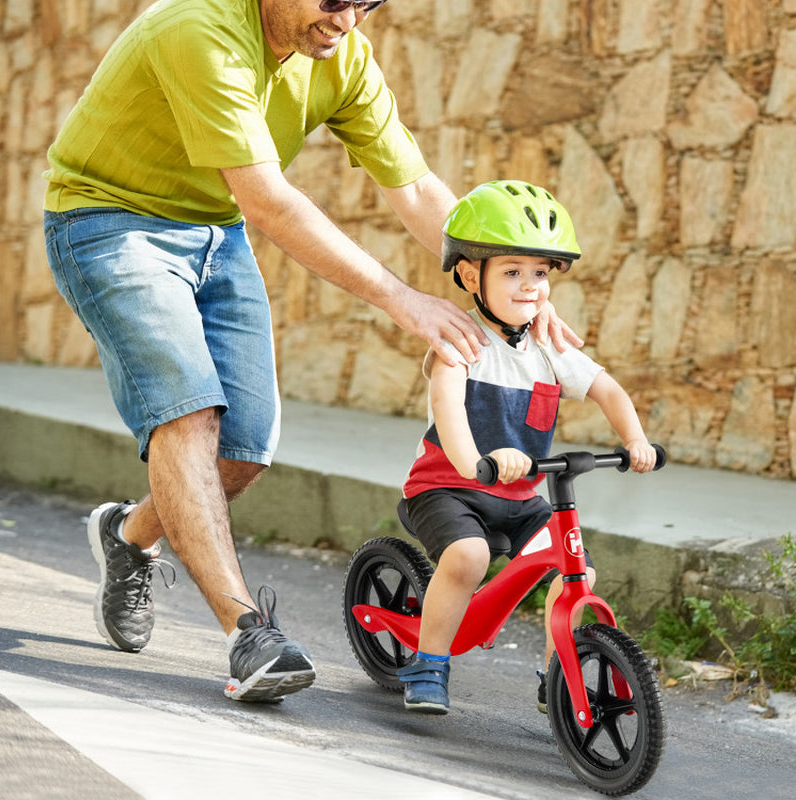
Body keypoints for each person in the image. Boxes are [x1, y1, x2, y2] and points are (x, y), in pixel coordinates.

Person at [43, 1, 580, 704]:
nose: (350, 19)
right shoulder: (199, 30)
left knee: (243, 450)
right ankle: (248, 633)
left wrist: (509, 285)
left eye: (369, 2)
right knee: (191, 414)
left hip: (214, 231)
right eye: (336, 0)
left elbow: (416, 189)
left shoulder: (342, 55)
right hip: (109, 219)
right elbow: (267, 200)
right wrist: (398, 296)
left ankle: (129, 535)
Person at [398, 180, 658, 714]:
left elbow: (606, 388)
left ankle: (558, 678)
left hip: (519, 494)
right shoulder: (460, 340)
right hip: (448, 487)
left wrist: (633, 441)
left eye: (539, 273)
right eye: (512, 272)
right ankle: (428, 663)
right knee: (467, 556)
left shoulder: (547, 346)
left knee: (576, 568)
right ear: (472, 275)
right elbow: (447, 408)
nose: (529, 286)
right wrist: (476, 462)